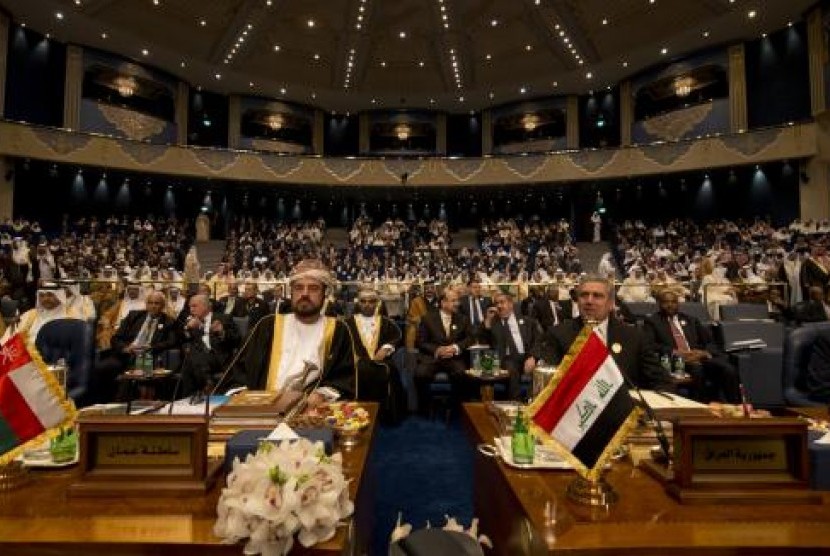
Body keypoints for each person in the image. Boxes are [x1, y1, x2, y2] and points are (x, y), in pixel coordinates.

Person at [229, 259, 357, 407]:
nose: (305, 294)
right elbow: (239, 373)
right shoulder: (267, 325)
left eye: (313, 288)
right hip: (264, 407)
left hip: (311, 410)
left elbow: (344, 378)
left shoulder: (338, 330)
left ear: (324, 293)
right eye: (299, 287)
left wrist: (321, 394)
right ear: (291, 292)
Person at [543, 274, 672, 391]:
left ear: (610, 304)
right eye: (584, 295)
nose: (589, 301)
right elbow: (548, 385)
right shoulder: (558, 334)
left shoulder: (634, 336)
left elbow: (661, 381)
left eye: (597, 296)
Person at [644, 290, 741, 403]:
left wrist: (704, 353)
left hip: (699, 357)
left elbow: (709, 342)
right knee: (697, 370)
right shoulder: (652, 322)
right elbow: (650, 345)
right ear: (659, 304)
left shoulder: (691, 320)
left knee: (729, 369)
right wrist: (675, 352)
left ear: (678, 303)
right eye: (666, 302)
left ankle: (735, 406)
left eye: (673, 302)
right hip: (675, 361)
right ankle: (701, 407)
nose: (670, 305)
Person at [91, 291, 180, 403]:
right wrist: (125, 348)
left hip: (149, 356)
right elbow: (116, 338)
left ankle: (121, 404)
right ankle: (100, 403)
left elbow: (172, 341)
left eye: (157, 303)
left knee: (134, 372)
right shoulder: (134, 316)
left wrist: (151, 347)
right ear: (146, 304)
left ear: (162, 306)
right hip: (126, 354)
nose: (153, 306)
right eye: (150, 303)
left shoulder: (169, 321)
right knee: (101, 368)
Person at [343, 285, 406, 423]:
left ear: (377, 303)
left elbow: (398, 337)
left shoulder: (387, 322)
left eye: (371, 301)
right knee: (360, 369)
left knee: (388, 370)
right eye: (363, 301)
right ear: (358, 303)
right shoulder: (346, 324)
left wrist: (387, 347)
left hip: (381, 362)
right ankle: (357, 413)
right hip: (357, 362)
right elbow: (342, 345)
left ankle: (385, 414)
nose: (367, 305)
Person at [414, 288, 474, 411]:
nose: (457, 303)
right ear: (443, 303)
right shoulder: (427, 318)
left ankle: (455, 407)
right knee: (420, 374)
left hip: (454, 358)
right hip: (432, 357)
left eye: (457, 300)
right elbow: (420, 342)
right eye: (453, 301)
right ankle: (426, 406)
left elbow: (470, 338)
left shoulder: (463, 319)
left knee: (462, 374)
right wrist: (438, 350)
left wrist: (455, 348)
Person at [481, 291, 543, 399]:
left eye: (502, 302)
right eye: (496, 303)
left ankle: (535, 404)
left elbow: (538, 340)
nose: (499, 306)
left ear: (510, 304)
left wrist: (533, 357)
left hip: (526, 356)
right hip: (506, 359)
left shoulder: (527, 321)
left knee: (543, 369)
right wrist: (487, 323)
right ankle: (515, 402)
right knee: (511, 367)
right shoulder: (493, 323)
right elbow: (483, 342)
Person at [180, 294, 240, 398]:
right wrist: (187, 330)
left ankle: (189, 396)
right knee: (192, 354)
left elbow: (237, 339)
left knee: (191, 358)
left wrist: (222, 332)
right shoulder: (189, 321)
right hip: (199, 358)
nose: (191, 309)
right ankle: (208, 382)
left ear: (205, 306)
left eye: (194, 306)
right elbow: (182, 342)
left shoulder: (223, 318)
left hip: (219, 357)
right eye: (190, 307)